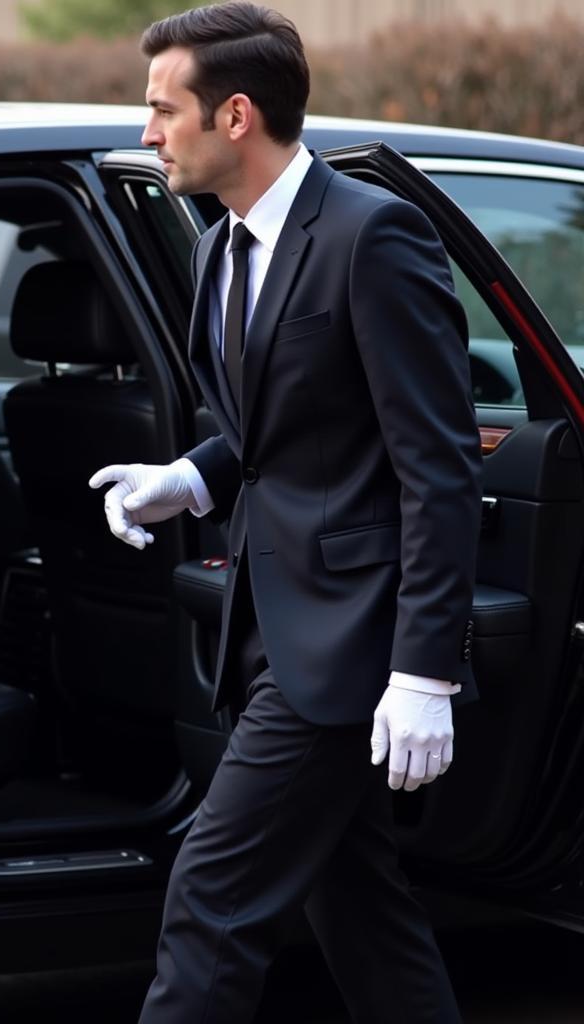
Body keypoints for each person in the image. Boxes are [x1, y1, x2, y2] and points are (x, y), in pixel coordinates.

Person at [87, 4, 482, 1021]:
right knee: (358, 906)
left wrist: (422, 669)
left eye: (161, 109)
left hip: (349, 644)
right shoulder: (219, 248)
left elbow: (433, 464)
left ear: (235, 116)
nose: (146, 132)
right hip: (263, 628)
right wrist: (189, 475)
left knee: (209, 899)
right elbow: (280, 423)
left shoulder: (373, 235)